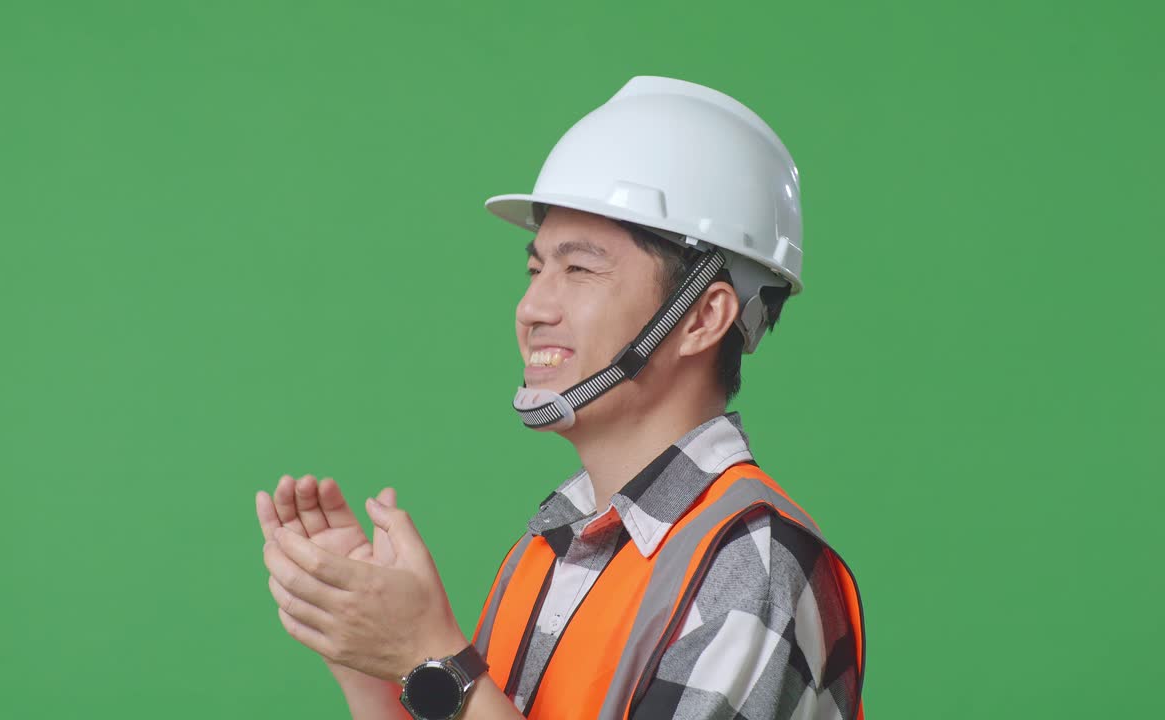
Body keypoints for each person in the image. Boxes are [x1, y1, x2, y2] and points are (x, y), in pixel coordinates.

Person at [255, 75, 865, 720]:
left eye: (580, 269)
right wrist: (369, 664)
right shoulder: (557, 541)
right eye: (535, 268)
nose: (532, 307)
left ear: (702, 319)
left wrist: (428, 655)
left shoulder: (752, 560)